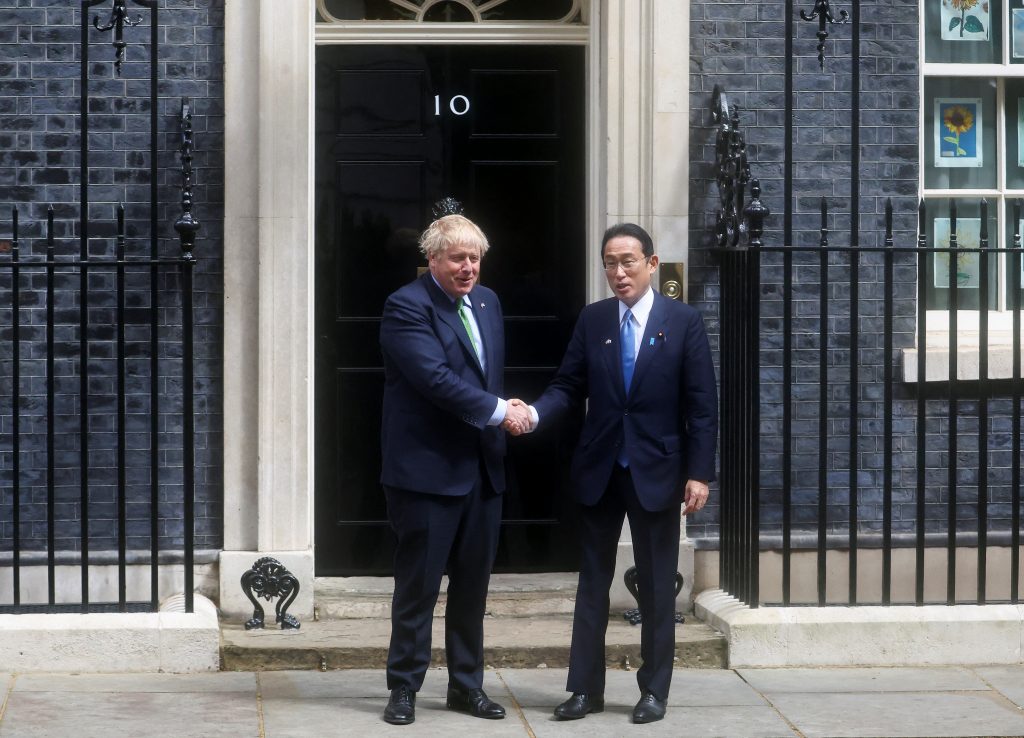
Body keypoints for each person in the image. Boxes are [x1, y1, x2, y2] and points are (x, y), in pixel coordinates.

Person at [510, 222, 718, 724]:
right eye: (609, 263)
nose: (618, 272)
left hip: (658, 471)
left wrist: (699, 473)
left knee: (655, 582)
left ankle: (653, 691)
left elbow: (702, 406)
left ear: (651, 263)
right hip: (600, 469)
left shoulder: (682, 321)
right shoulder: (594, 320)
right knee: (592, 584)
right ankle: (584, 689)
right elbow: (567, 385)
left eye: (628, 261)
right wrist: (536, 413)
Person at [378, 213, 531, 726]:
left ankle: (467, 687)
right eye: (457, 258)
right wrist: (498, 412)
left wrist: (500, 403)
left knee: (472, 589)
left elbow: (486, 374)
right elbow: (435, 379)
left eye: (475, 258)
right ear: (433, 259)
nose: (468, 268)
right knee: (418, 588)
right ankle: (403, 687)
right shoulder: (407, 306)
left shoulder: (487, 303)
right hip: (426, 472)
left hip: (482, 470)